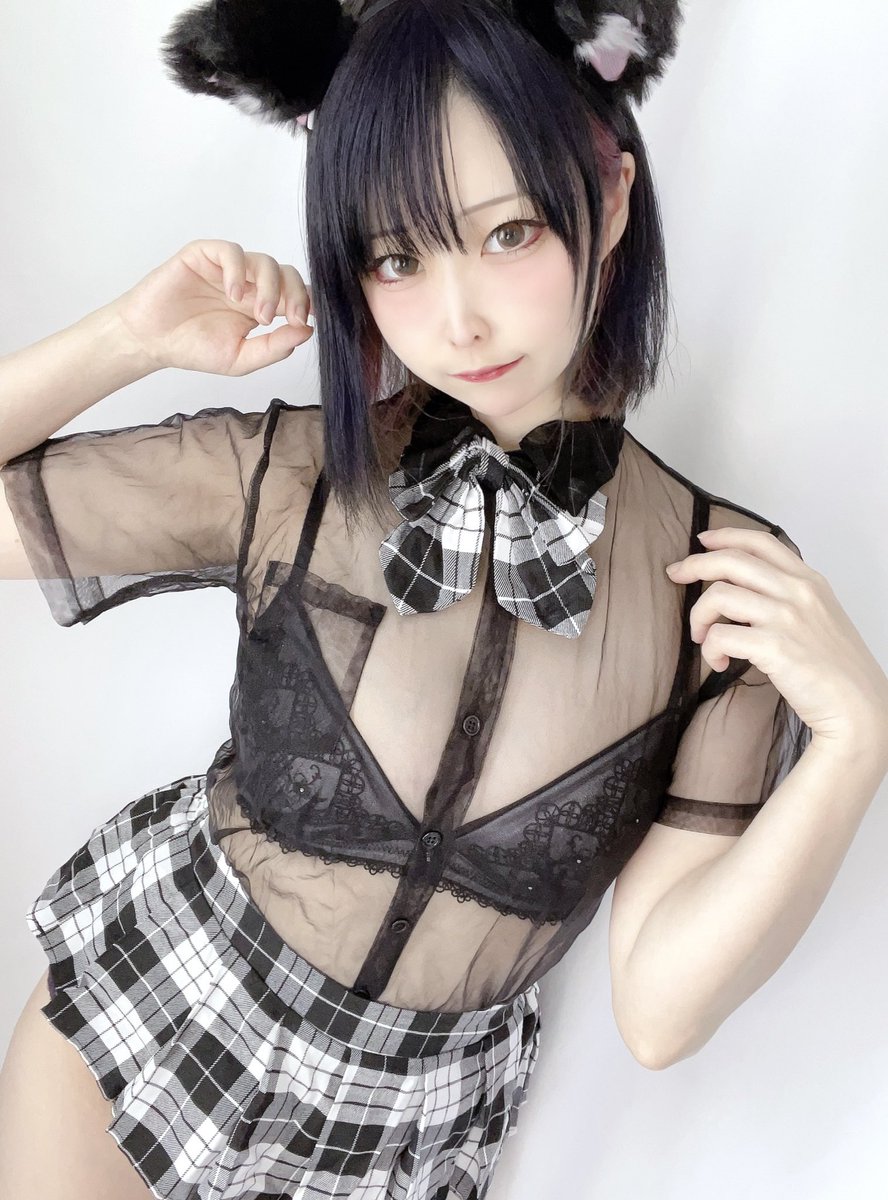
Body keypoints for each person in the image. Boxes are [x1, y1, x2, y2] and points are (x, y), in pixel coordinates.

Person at [1, 0, 887, 1196]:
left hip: (399, 1140)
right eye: (397, 258)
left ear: (610, 196)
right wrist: (126, 338)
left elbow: (659, 1014)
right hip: (147, 1024)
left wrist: (857, 740)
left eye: (508, 232)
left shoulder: (717, 587)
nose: (458, 320)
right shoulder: (296, 476)